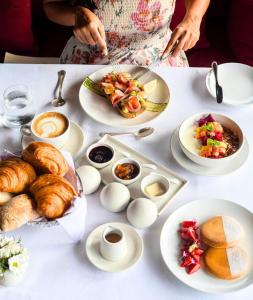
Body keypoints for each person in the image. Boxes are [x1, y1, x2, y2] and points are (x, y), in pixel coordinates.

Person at [43, 0, 210, 66]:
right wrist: (77, 13)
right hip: (89, 57)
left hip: (159, 56)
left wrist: (193, 19)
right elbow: (51, 5)